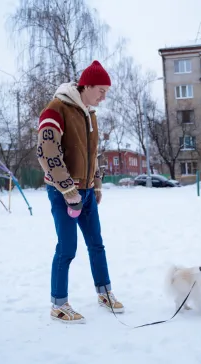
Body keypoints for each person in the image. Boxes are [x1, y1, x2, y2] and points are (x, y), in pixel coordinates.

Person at [36, 60, 124, 324]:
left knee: (96, 244)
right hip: (64, 193)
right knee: (67, 248)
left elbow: (92, 155)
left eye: (107, 91)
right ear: (86, 85)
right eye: (101, 90)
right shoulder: (56, 109)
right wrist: (67, 189)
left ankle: (104, 292)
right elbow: (47, 152)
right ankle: (58, 305)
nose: (104, 96)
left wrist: (95, 183)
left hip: (85, 192)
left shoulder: (90, 114)